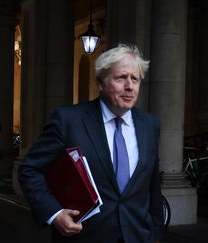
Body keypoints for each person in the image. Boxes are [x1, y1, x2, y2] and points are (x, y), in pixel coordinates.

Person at [18, 44, 165, 243]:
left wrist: (156, 235)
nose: (130, 86)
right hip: (84, 236)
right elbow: (30, 169)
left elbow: (153, 186)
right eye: (121, 78)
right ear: (101, 83)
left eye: (135, 79)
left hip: (138, 236)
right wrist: (55, 214)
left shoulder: (150, 125)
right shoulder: (69, 121)